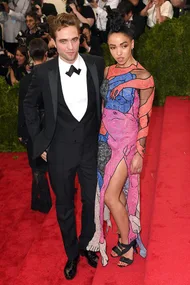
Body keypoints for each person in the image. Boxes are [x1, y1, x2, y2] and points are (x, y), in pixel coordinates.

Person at [23, 13, 105, 280]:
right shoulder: (43, 72)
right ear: (53, 43)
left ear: (80, 38)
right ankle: (71, 254)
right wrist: (40, 141)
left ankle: (87, 245)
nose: (70, 47)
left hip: (90, 148)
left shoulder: (96, 64)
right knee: (65, 206)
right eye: (63, 41)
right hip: (59, 151)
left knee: (92, 200)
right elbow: (29, 105)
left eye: (74, 40)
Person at [87, 12, 155, 267]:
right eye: (114, 47)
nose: (119, 53)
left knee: (110, 196)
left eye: (124, 46)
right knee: (117, 195)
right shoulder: (108, 70)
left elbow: (145, 118)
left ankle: (126, 242)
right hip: (105, 140)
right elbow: (104, 107)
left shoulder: (144, 77)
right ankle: (127, 236)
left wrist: (139, 152)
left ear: (133, 43)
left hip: (127, 143)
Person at [18, 38, 52, 213]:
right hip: (51, 127)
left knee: (37, 167)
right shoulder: (53, 77)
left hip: (34, 129)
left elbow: (22, 109)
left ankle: (44, 202)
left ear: (30, 55)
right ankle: (37, 200)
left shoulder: (25, 81)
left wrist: (21, 131)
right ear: (46, 55)